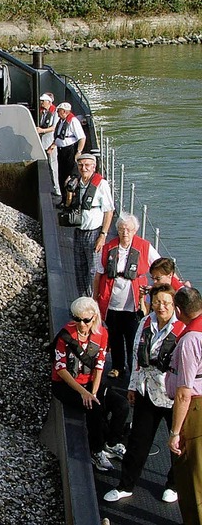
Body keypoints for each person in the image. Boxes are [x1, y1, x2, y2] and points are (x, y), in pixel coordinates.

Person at [104, 284, 184, 504]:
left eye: (166, 302)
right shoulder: (145, 322)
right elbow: (136, 358)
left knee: (177, 443)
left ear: (174, 304)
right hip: (147, 392)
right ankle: (125, 485)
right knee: (138, 442)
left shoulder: (182, 329)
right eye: (157, 301)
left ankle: (173, 484)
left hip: (172, 396)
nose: (161, 307)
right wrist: (132, 386)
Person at [52, 296, 129, 471]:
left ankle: (112, 442)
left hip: (90, 382)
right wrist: (84, 393)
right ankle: (96, 450)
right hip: (66, 385)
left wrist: (93, 392)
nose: (81, 324)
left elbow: (100, 365)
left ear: (93, 318)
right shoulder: (65, 336)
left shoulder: (101, 334)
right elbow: (61, 370)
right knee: (94, 408)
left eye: (86, 320)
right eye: (77, 319)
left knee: (121, 405)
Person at [93, 212, 160, 379]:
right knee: (114, 335)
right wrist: (94, 298)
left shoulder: (144, 247)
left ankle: (134, 369)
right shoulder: (109, 247)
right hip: (112, 299)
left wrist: (157, 286)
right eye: (122, 229)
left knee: (133, 338)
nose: (125, 233)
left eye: (128, 230)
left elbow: (159, 266)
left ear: (135, 231)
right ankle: (117, 367)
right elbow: (98, 274)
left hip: (134, 303)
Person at [166, 287, 202, 525]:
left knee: (192, 477)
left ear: (178, 310)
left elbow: (183, 392)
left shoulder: (190, 339)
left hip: (195, 410)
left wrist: (175, 432)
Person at [71, 153, 114, 297]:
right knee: (79, 268)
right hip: (78, 231)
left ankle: (94, 301)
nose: (84, 168)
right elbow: (68, 205)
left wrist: (103, 235)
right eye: (81, 165)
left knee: (94, 270)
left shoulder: (101, 184)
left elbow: (109, 211)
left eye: (87, 165)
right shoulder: (76, 182)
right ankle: (82, 300)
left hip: (94, 232)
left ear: (94, 167)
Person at [53, 102, 86, 206]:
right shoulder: (61, 121)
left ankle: (71, 201)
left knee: (70, 177)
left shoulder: (73, 121)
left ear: (64, 111)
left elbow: (82, 138)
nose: (57, 114)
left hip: (70, 150)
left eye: (59, 111)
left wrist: (78, 152)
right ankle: (63, 200)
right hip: (61, 151)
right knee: (61, 175)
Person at [36, 93, 61, 198]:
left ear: (49, 102)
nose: (41, 103)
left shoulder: (55, 112)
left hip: (51, 142)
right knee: (47, 165)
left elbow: (55, 127)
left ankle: (57, 189)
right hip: (43, 142)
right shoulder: (44, 112)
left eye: (43, 101)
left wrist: (42, 130)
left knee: (53, 165)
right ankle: (50, 185)